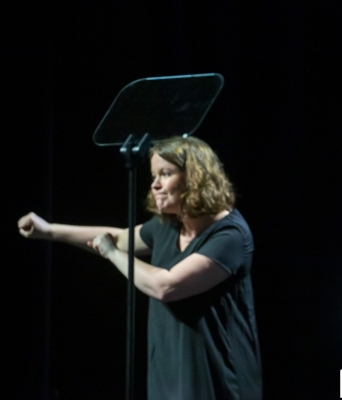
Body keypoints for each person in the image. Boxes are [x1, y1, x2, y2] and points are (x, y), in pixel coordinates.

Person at [18, 136, 262, 400]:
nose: (155, 184)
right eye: (153, 175)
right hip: (170, 372)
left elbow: (165, 285)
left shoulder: (230, 235)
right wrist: (49, 231)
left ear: (195, 178)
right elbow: (120, 237)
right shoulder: (169, 224)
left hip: (217, 378)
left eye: (165, 174)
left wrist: (111, 253)